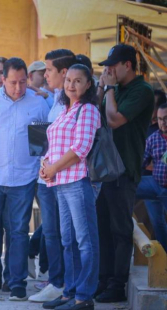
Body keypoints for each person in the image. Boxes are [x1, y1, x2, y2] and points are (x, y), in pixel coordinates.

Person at [0, 57, 49, 301]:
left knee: (18, 231)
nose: (18, 88)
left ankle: (16, 282)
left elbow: (42, 143)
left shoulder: (37, 103)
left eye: (23, 82)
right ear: (2, 79)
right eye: (13, 82)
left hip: (24, 178)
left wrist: (38, 167)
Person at [95, 44, 154, 303]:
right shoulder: (113, 88)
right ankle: (104, 280)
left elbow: (114, 119)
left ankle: (118, 285)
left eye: (112, 66)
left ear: (127, 65)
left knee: (120, 231)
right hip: (104, 170)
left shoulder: (142, 90)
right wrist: (101, 87)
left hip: (124, 171)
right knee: (103, 230)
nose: (108, 70)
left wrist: (108, 89)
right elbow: (94, 115)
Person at [40, 64, 101, 310]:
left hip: (77, 180)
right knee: (69, 241)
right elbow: (52, 145)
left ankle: (84, 297)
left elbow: (81, 148)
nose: (71, 85)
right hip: (60, 184)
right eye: (68, 81)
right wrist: (45, 164)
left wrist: (53, 168)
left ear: (88, 85)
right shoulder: (66, 110)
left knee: (85, 241)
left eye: (78, 81)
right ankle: (70, 292)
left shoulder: (87, 110)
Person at [29, 49, 77, 303]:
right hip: (46, 176)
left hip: (63, 178)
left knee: (63, 234)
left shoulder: (75, 103)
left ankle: (63, 283)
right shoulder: (56, 99)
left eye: (48, 70)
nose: (45, 74)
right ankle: (57, 281)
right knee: (51, 232)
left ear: (64, 72)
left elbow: (76, 146)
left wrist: (53, 167)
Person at [137, 103, 167, 252]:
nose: (163, 123)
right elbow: (142, 162)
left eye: (166, 118)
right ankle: (165, 255)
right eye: (160, 119)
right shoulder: (153, 138)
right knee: (126, 187)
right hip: (155, 183)